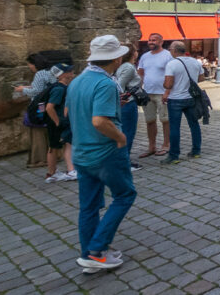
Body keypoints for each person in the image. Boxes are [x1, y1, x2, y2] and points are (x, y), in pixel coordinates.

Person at [67, 35, 135, 272]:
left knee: (89, 206)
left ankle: (90, 256)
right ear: (116, 58)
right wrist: (121, 137)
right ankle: (96, 249)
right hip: (105, 152)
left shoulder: (77, 81)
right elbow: (99, 121)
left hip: (81, 152)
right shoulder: (105, 83)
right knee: (125, 195)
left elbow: (70, 112)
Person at [161, 42, 205, 164]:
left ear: (175, 50)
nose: (169, 51)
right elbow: (201, 78)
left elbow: (168, 84)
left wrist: (164, 84)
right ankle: (196, 151)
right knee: (194, 125)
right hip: (191, 98)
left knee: (174, 127)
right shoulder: (195, 62)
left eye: (170, 49)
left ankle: (174, 156)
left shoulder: (172, 64)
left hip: (176, 99)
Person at [137, 33, 171, 158]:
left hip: (162, 93)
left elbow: (171, 74)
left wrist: (168, 92)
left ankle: (166, 145)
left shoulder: (167, 55)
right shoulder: (144, 56)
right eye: (149, 40)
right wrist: (139, 90)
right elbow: (141, 73)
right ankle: (151, 146)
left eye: (154, 40)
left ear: (161, 42)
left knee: (165, 120)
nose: (151, 42)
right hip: (148, 93)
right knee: (149, 120)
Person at [44, 63, 77, 183]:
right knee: (60, 146)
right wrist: (58, 122)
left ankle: (52, 173)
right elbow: (49, 108)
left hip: (58, 122)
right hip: (57, 123)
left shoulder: (62, 87)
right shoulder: (59, 89)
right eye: (70, 71)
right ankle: (68, 170)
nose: (72, 73)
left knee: (55, 146)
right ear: (62, 74)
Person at [114, 46, 142, 171]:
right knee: (128, 132)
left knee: (124, 131)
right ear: (132, 53)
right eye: (136, 50)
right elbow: (119, 86)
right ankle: (124, 161)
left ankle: (122, 159)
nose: (137, 52)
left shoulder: (123, 66)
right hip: (128, 103)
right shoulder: (128, 67)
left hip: (125, 103)